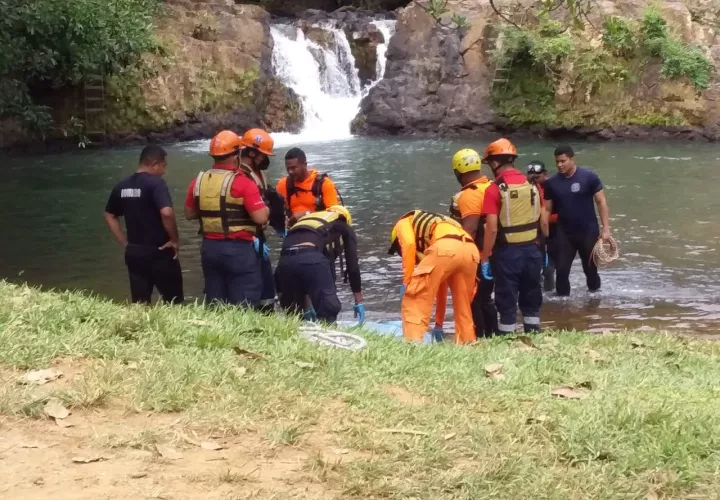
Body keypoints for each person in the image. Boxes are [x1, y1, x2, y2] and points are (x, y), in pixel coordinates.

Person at [184, 130, 269, 306]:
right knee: (244, 302)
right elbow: (260, 218)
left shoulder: (198, 181)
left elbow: (189, 214)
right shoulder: (243, 183)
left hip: (209, 249)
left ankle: (219, 332)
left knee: (216, 301)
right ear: (236, 155)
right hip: (239, 250)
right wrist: (267, 209)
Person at [104, 145, 183, 305]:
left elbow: (109, 215)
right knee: (175, 304)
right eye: (163, 166)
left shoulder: (122, 185)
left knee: (140, 304)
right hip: (160, 252)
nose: (164, 171)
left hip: (134, 254)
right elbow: (166, 213)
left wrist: (125, 243)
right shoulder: (156, 184)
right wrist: (174, 240)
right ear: (154, 164)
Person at [480, 138, 543, 334]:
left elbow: (491, 229)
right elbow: (542, 221)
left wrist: (484, 258)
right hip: (533, 250)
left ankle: (506, 338)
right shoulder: (533, 186)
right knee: (532, 296)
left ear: (495, 162)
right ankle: (534, 333)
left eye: (490, 163)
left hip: (507, 253)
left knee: (506, 300)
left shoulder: (493, 189)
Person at [388, 210, 479, 344]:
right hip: (471, 250)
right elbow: (440, 288)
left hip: (445, 248)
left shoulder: (402, 224)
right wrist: (439, 324)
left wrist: (407, 281)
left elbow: (409, 244)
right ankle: (468, 342)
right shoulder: (439, 226)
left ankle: (412, 343)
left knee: (415, 295)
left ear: (396, 239)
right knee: (463, 303)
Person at [542, 144, 611, 296]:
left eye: (563, 161)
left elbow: (601, 202)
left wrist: (606, 228)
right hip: (564, 233)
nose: (559, 165)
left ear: (572, 159)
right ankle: (562, 304)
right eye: (557, 162)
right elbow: (546, 209)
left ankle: (594, 298)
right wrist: (544, 232)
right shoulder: (552, 183)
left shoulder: (589, 177)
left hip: (588, 231)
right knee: (561, 270)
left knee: (590, 269)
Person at [275, 205, 364, 324]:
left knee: (295, 314)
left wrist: (306, 303)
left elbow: (300, 259)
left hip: (284, 262)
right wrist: (358, 301)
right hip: (310, 258)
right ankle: (328, 335)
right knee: (328, 310)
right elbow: (352, 266)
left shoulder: (308, 221)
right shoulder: (343, 226)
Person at [238, 128, 283, 312]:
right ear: (251, 153)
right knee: (251, 286)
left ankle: (267, 319)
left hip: (259, 235)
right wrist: (251, 238)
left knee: (266, 286)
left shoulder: (257, 173)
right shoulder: (239, 175)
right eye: (263, 155)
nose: (266, 159)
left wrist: (278, 223)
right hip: (246, 238)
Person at [276, 148, 342, 227]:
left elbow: (334, 215)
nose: (290, 172)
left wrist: (307, 215)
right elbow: (277, 211)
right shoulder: (282, 184)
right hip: (294, 232)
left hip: (320, 231)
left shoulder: (324, 184)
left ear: (305, 165)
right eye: (288, 169)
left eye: (294, 168)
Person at [527, 160, 558, 292]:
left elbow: (561, 213)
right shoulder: (526, 189)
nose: (534, 180)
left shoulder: (553, 187)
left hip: (553, 233)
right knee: (532, 267)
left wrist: (543, 219)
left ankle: (550, 295)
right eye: (532, 177)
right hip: (535, 234)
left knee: (548, 269)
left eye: (537, 177)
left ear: (545, 174)